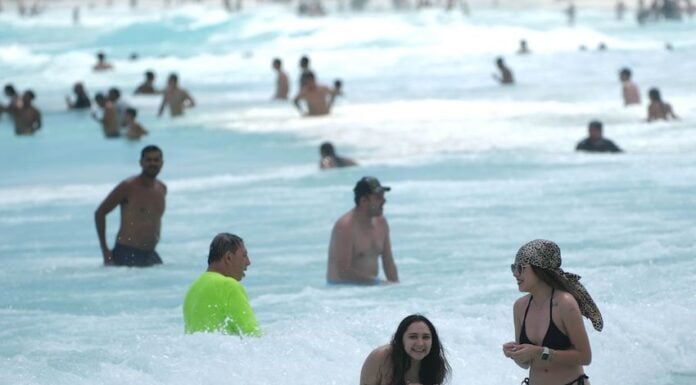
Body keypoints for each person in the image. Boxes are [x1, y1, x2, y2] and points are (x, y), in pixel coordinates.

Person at [502, 239, 603, 385]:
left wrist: (540, 352)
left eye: (521, 267)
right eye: (513, 268)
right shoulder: (520, 307)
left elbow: (585, 357)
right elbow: (526, 364)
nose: (515, 274)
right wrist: (514, 354)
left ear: (539, 269)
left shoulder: (564, 303)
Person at [94, 145, 166, 266]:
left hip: (150, 254)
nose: (152, 163)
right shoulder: (128, 186)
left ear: (162, 163)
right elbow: (100, 213)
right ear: (141, 162)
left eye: (156, 160)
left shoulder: (162, 188)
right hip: (127, 252)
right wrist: (105, 251)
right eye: (148, 160)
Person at [183, 233, 261, 336]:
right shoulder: (229, 286)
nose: (248, 262)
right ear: (228, 257)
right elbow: (252, 334)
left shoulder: (192, 290)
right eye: (244, 255)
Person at [326, 176, 399, 285]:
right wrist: (377, 283)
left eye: (383, 197)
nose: (384, 201)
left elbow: (388, 262)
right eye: (378, 198)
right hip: (342, 292)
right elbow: (343, 271)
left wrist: (396, 288)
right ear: (364, 201)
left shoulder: (381, 223)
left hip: (367, 292)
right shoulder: (345, 227)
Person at [360, 314, 451, 385]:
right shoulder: (380, 357)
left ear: (432, 341)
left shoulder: (435, 366)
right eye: (413, 337)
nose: (420, 343)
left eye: (426, 337)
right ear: (401, 339)